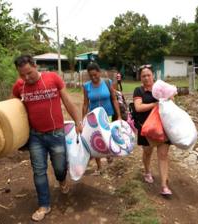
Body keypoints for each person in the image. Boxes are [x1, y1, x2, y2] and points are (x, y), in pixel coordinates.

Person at [12, 55, 83, 222]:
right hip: (35, 136)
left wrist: (78, 121)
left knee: (59, 167)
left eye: (29, 73)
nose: (26, 78)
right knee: (39, 170)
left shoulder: (52, 78)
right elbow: (13, 110)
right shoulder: (19, 86)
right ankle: (44, 204)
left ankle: (61, 180)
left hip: (56, 133)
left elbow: (68, 101)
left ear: (35, 66)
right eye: (22, 75)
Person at [132, 64, 172, 197]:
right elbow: (138, 107)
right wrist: (155, 104)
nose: (146, 78)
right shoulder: (139, 91)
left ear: (153, 76)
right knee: (147, 152)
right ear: (140, 78)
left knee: (163, 155)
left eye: (148, 75)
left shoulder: (161, 88)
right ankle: (147, 171)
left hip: (163, 128)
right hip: (147, 128)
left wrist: (169, 98)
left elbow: (171, 100)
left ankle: (164, 186)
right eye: (143, 76)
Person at [82, 62, 122, 175]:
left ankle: (109, 153)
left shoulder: (107, 82)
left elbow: (114, 99)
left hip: (107, 116)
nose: (94, 77)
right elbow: (85, 104)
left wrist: (118, 116)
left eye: (95, 75)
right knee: (95, 140)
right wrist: (83, 119)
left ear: (99, 72)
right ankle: (99, 167)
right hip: (93, 118)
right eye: (91, 76)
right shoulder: (86, 86)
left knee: (107, 137)